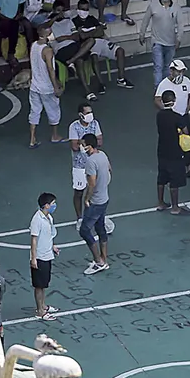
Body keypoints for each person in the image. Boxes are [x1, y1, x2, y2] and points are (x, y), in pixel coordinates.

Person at [155, 59, 190, 175]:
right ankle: (176, 167)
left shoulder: (186, 81)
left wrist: (188, 108)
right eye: (178, 71)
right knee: (173, 142)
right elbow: (157, 99)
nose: (180, 74)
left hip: (183, 116)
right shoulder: (164, 84)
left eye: (182, 71)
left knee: (187, 140)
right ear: (171, 71)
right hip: (171, 119)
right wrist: (167, 111)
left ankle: (189, 167)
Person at [139, 0, 184, 87]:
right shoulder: (152, 6)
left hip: (171, 43)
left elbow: (181, 24)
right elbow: (145, 20)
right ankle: (158, 90)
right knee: (158, 66)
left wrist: (179, 39)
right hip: (157, 42)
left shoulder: (176, 7)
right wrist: (142, 34)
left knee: (167, 67)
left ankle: (166, 88)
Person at [81, 134, 113, 275]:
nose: (81, 147)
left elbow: (92, 183)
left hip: (95, 202)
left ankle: (98, 261)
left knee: (85, 230)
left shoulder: (90, 161)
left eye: (83, 144)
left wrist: (87, 198)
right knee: (100, 228)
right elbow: (110, 170)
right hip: (104, 198)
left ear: (89, 145)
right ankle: (104, 259)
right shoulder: (103, 155)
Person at [28, 25, 64, 147]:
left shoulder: (33, 45)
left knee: (34, 111)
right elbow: (50, 69)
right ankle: (55, 135)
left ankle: (32, 139)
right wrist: (56, 86)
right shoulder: (47, 51)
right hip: (46, 87)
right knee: (53, 110)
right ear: (47, 35)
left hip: (34, 86)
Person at [155, 91, 190, 214]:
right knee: (174, 179)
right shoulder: (177, 117)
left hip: (161, 150)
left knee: (162, 177)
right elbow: (185, 131)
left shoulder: (159, 115)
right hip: (174, 151)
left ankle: (160, 203)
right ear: (174, 100)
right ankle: (175, 207)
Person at [29, 194, 61, 321]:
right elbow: (34, 239)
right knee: (39, 285)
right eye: (53, 203)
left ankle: (43, 306)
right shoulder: (37, 220)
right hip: (40, 257)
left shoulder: (49, 218)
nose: (54, 205)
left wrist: (53, 246)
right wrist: (34, 258)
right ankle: (40, 311)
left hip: (48, 255)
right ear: (46, 205)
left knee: (44, 284)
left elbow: (49, 235)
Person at [69, 103, 102, 225]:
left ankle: (92, 216)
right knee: (79, 192)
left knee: (94, 190)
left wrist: (82, 143)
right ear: (81, 115)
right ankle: (79, 218)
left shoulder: (95, 124)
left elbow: (100, 141)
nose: (90, 115)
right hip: (79, 166)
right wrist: (88, 143)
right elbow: (74, 146)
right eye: (87, 113)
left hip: (94, 163)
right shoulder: (74, 127)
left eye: (90, 112)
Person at [0, 0, 35, 73]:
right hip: (2, 20)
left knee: (27, 24)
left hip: (16, 17)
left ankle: (32, 50)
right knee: (13, 26)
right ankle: (11, 54)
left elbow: (20, 6)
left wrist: (18, 15)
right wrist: (9, 18)